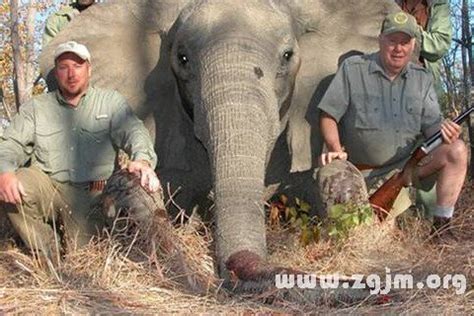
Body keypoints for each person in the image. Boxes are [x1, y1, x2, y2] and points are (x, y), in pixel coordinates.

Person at [0, 41, 160, 266]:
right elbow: (10, 144)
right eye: (64, 67)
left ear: (89, 69)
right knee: (16, 184)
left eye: (77, 65)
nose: (71, 73)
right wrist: (5, 172)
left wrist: (142, 160)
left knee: (83, 260)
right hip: (51, 187)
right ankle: (48, 256)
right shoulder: (37, 108)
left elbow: (134, 132)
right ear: (56, 72)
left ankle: (154, 260)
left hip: (95, 193)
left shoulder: (110, 101)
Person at [317, 12, 467, 241]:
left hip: (407, 169)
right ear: (380, 40)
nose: (398, 48)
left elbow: (432, 128)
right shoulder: (353, 69)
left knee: (457, 149)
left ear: (413, 45)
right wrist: (335, 148)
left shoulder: (422, 78)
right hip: (359, 172)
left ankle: (441, 226)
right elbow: (328, 114)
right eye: (392, 40)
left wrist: (446, 130)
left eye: (405, 42)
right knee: (355, 237)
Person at [395, 0, 452, 98]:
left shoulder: (438, 5)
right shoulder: (388, 3)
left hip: (423, 89)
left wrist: (407, 27)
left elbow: (439, 44)